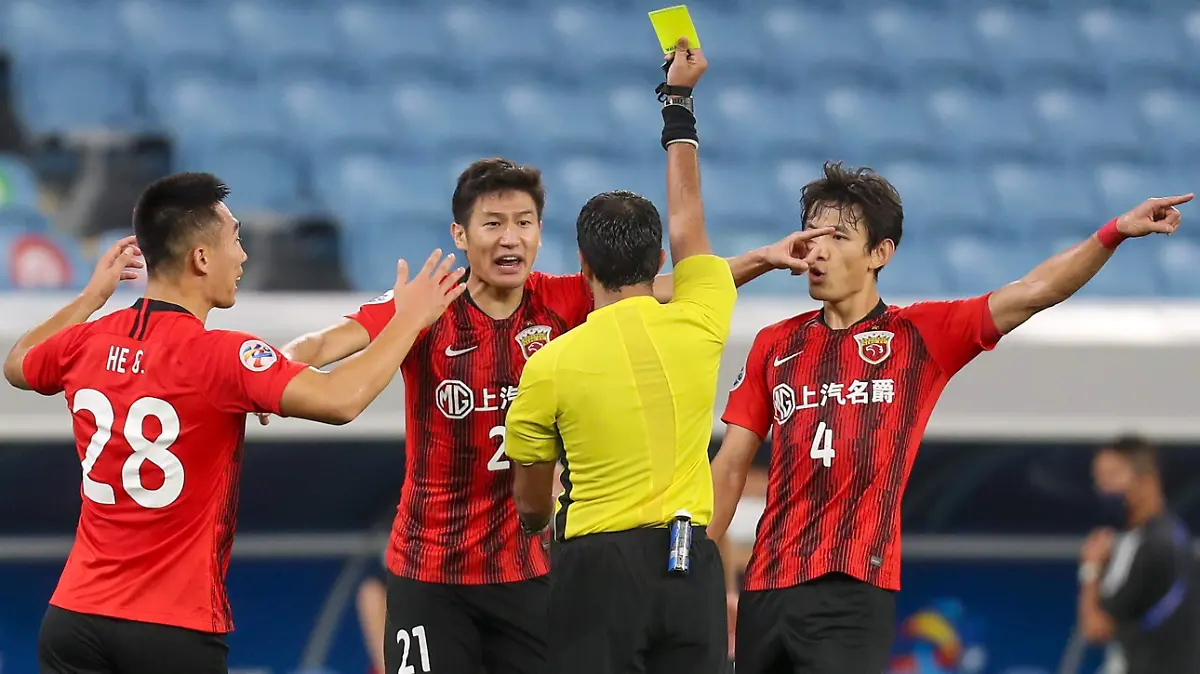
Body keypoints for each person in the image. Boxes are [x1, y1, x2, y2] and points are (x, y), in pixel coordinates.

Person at [268, 148, 832, 672]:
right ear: (460, 235)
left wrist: (760, 258)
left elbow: (663, 289)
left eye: (524, 223)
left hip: (529, 572)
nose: (510, 238)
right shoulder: (426, 304)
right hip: (431, 570)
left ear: (540, 234)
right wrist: (277, 369)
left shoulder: (560, 299)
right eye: (493, 224)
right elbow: (323, 343)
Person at [707, 161, 1193, 674]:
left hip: (850, 589)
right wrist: (701, 572)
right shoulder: (774, 344)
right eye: (814, 235)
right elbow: (732, 466)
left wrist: (1112, 232)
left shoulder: (920, 335)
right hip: (765, 588)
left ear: (880, 253)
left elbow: (1034, 290)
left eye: (839, 237)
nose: (818, 252)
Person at [1, 172, 465, 674]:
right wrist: (409, 321)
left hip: (74, 617)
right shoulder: (221, 356)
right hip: (171, 629)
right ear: (201, 257)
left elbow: (17, 362)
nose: (242, 256)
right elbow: (341, 399)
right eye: (236, 239)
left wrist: (92, 296)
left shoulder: (86, 342)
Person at [503, 38, 828, 674]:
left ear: (582, 266)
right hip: (689, 561)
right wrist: (677, 105)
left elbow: (532, 504)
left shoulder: (547, 365)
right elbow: (688, 220)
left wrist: (542, 520)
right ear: (658, 266)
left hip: (596, 563)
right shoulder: (699, 320)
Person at [1077, 435, 1200, 674]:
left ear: (1147, 479)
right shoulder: (1138, 539)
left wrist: (1090, 569)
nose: (1104, 488)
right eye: (1099, 480)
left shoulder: (1157, 546)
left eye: (1112, 477)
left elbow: (1096, 627)